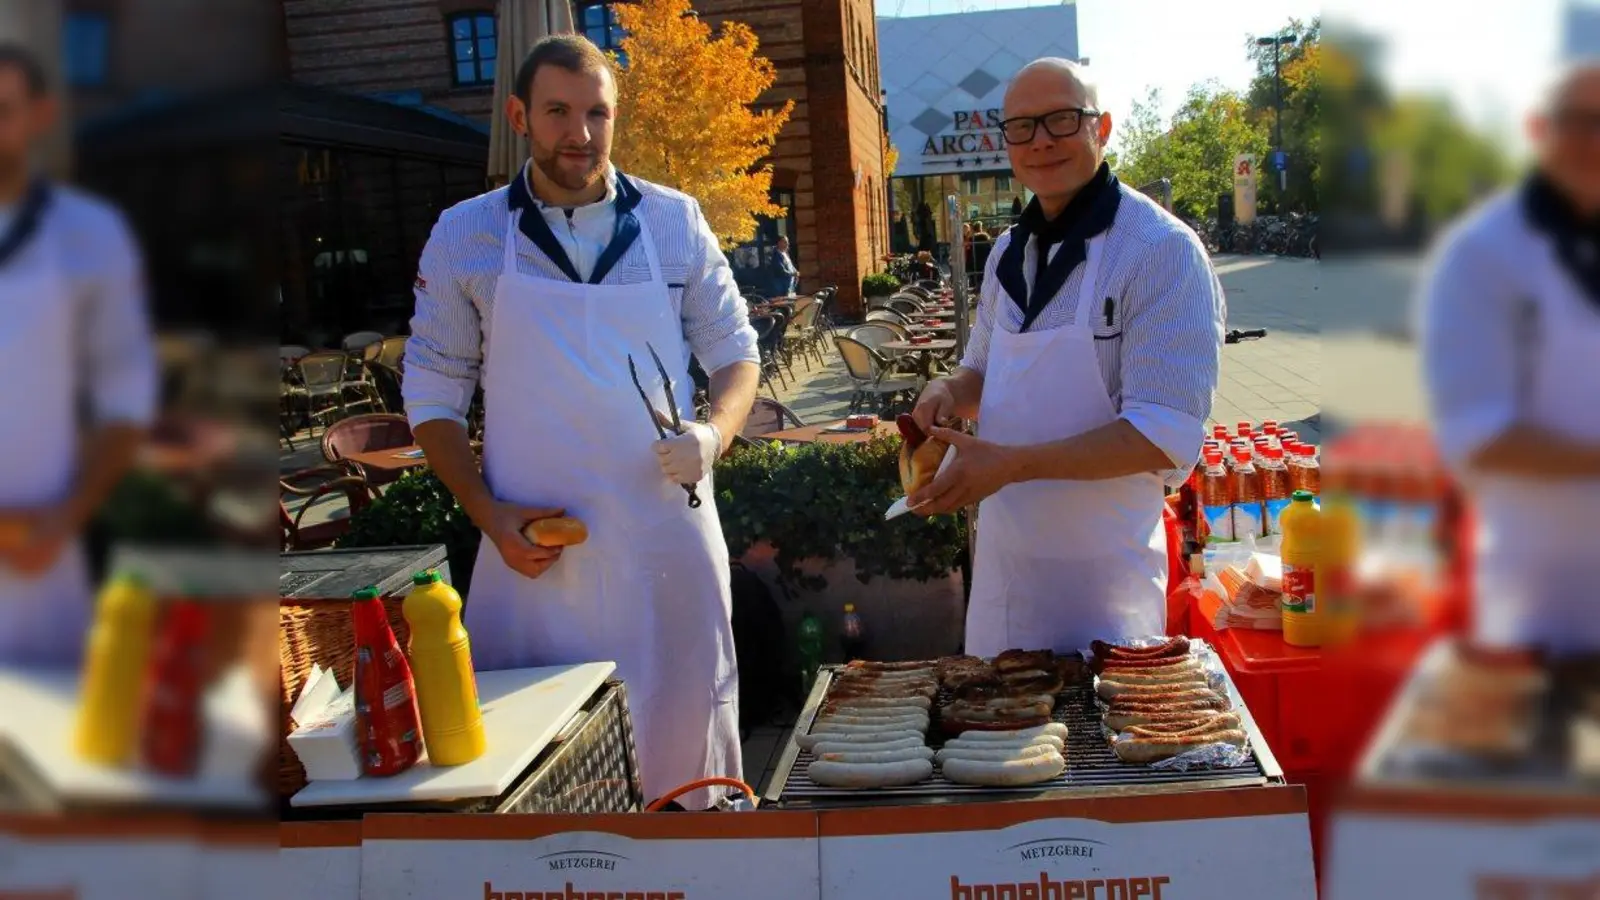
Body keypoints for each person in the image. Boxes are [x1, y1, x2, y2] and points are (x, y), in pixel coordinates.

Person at [403, 35, 762, 808]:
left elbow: (736, 350)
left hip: (668, 535)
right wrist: (485, 512)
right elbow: (433, 389)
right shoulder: (466, 234)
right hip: (534, 547)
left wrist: (713, 434)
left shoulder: (675, 221)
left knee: (686, 735)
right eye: (559, 112)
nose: (581, 134)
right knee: (547, 763)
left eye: (597, 113)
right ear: (519, 116)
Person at [907, 58, 1225, 654]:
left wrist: (1010, 465)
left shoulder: (1161, 252)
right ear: (1006, 143)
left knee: (1101, 745)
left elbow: (1164, 435)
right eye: (1022, 127)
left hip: (1106, 586)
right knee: (991, 734)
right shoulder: (1008, 249)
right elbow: (982, 370)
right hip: (1006, 577)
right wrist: (948, 392)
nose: (1042, 140)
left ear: (1100, 129)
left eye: (1061, 119)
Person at [1417, 61, 1600, 656]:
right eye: (1579, 122)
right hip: (1550, 597)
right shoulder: (1482, 254)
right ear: (1538, 129)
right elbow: (1478, 433)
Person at [0, 46, 157, 668]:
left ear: (39, 115)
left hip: (41, 547)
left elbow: (126, 395)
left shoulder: (88, 233)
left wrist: (69, 516)